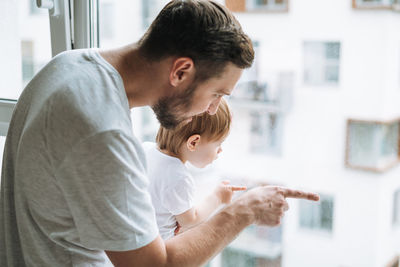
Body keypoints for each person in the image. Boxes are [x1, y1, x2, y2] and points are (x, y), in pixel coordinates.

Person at [0, 0, 319, 266]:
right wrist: (242, 211)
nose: (212, 109)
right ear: (181, 71)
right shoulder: (102, 130)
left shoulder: (68, 66)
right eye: (217, 94)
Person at [144, 98, 246, 240]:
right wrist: (218, 197)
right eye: (218, 144)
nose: (220, 151)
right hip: (159, 251)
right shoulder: (178, 176)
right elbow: (191, 220)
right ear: (193, 142)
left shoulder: (144, 149)